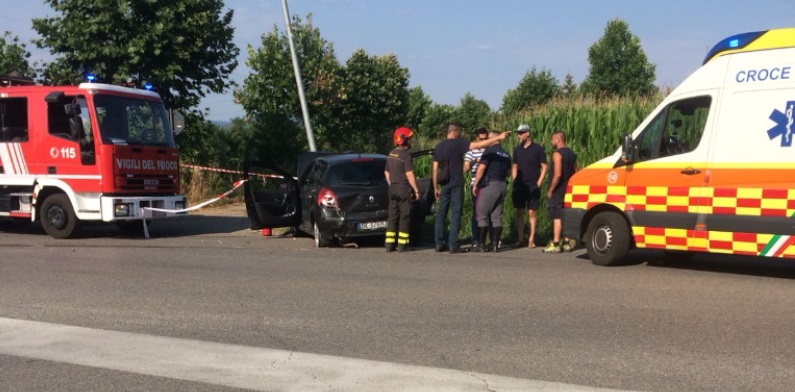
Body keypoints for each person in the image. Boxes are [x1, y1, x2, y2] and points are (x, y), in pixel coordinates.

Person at [433, 123, 508, 254]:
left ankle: (439, 243)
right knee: (456, 213)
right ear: (454, 132)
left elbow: (434, 170)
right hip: (456, 183)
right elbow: (478, 145)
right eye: (459, 132)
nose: (460, 134)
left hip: (444, 184)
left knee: (441, 213)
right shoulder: (458, 143)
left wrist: (435, 187)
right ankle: (453, 245)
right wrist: (498, 138)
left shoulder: (438, 147)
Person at [471, 130, 511, 252]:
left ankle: (481, 245)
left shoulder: (489, 151)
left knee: (481, 214)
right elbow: (509, 173)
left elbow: (481, 168)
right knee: (496, 216)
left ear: (495, 138)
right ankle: (494, 245)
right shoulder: (506, 154)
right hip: (502, 185)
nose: (488, 140)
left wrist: (475, 184)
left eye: (489, 138)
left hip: (489, 185)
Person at [511, 124, 547, 249]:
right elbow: (514, 165)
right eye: (518, 133)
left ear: (528, 133)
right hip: (520, 184)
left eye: (521, 133)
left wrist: (539, 182)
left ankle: (531, 239)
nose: (519, 135)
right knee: (519, 211)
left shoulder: (537, 149)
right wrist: (515, 179)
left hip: (532, 184)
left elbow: (544, 166)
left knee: (531, 211)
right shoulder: (517, 150)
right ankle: (520, 239)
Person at [385, 127, 421, 252]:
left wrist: (391, 184)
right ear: (404, 140)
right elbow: (409, 174)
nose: (411, 141)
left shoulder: (391, 153)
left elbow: (386, 172)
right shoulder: (406, 155)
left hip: (392, 188)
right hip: (403, 188)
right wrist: (416, 190)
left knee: (392, 216)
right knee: (404, 216)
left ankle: (389, 245)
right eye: (409, 139)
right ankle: (402, 245)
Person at [542, 131, 578, 253]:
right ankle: (567, 242)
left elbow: (557, 174)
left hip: (558, 190)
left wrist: (551, 189)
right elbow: (575, 170)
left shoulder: (557, 154)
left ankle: (556, 243)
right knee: (565, 215)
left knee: (556, 216)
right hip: (568, 189)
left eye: (552, 140)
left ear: (558, 140)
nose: (551, 142)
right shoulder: (571, 153)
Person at [464, 128, 492, 247]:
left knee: (491, 213)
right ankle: (476, 239)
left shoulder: (490, 151)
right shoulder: (471, 152)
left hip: (489, 184)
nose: (484, 141)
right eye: (481, 139)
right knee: (477, 213)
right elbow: (465, 169)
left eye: (486, 139)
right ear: (477, 138)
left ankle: (492, 239)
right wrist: (474, 161)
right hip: (476, 184)